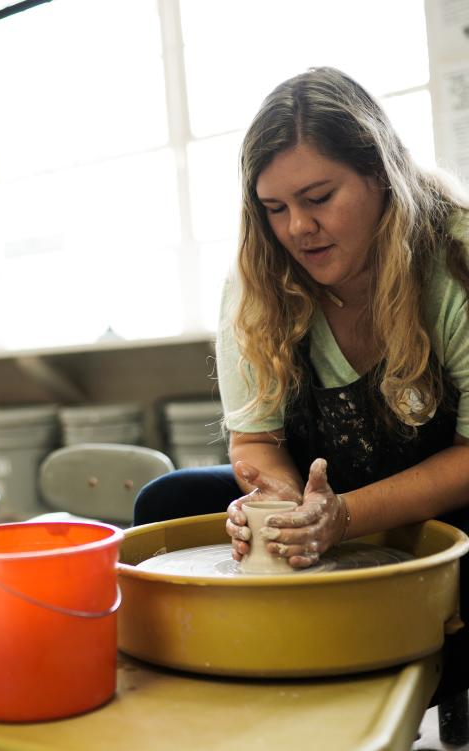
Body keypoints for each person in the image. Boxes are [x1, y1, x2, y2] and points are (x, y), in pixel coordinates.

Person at [134, 67, 469, 573]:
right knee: (165, 501)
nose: (298, 228)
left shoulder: (456, 259)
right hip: (324, 500)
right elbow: (254, 440)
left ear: (380, 173)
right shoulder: (256, 280)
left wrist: (346, 514)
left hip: (442, 503)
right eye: (274, 207)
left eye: (319, 199)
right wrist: (287, 509)